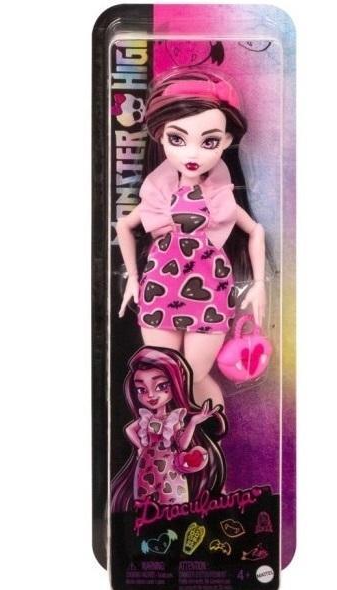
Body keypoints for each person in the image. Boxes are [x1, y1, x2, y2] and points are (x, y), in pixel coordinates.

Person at [116, 68, 267, 408]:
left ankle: (205, 427)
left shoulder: (220, 195)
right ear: (160, 136)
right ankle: (167, 433)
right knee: (162, 372)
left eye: (209, 141)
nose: (192, 154)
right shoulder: (159, 191)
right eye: (177, 139)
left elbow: (255, 230)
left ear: (226, 141)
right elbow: (124, 226)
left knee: (195, 373)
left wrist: (259, 283)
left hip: (210, 289)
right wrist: (133, 279)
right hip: (160, 287)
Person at [110, 346, 226, 512]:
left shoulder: (174, 418)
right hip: (146, 464)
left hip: (170, 466)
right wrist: (141, 447)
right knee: (144, 503)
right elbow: (129, 430)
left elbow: (182, 445)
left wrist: (193, 423)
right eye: (141, 390)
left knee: (172, 503)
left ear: (175, 384)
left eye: (161, 386)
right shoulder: (147, 417)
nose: (150, 395)